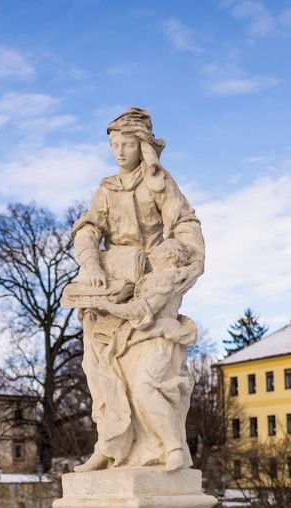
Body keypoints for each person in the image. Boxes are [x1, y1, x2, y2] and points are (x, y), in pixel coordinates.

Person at [72, 108, 205, 472]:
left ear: (142, 145)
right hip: (109, 287)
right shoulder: (106, 188)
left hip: (149, 289)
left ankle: (163, 446)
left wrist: (178, 264)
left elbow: (185, 226)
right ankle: (110, 446)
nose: (119, 151)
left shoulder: (158, 183)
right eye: (114, 144)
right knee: (98, 370)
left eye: (127, 143)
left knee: (142, 376)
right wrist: (91, 263)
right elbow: (87, 230)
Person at [94, 239, 202, 470]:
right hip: (141, 340)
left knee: (144, 389)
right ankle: (136, 447)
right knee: (129, 392)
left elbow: (141, 310)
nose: (153, 253)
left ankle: (173, 448)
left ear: (170, 255)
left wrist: (106, 305)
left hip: (158, 341)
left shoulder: (165, 278)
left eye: (160, 250)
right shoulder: (161, 278)